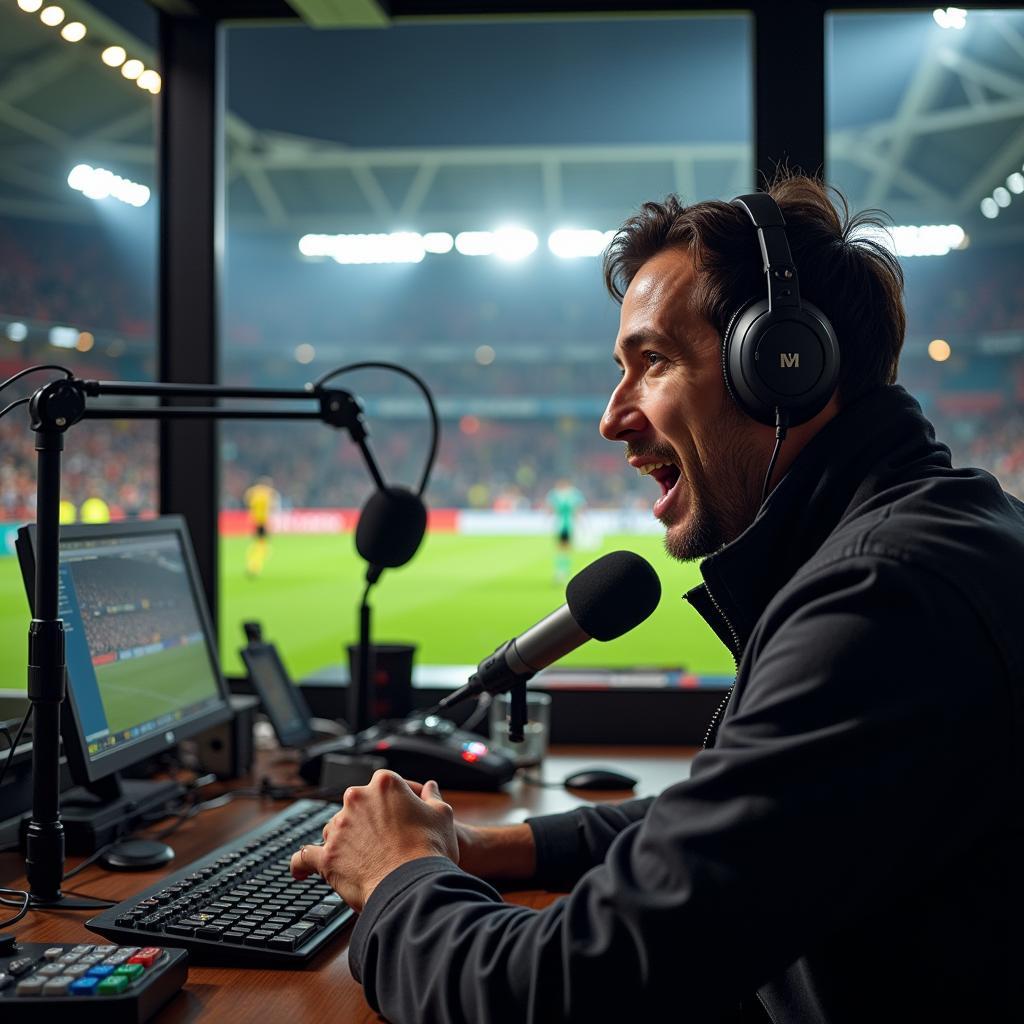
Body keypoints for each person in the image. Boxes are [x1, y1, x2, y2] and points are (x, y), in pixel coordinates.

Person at [290, 175, 1022, 1022]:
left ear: (781, 365)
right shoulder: (928, 535)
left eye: (654, 363)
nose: (611, 417)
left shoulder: (884, 601)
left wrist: (394, 875)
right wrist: (491, 848)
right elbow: (740, 816)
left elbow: (571, 991)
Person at [545, 477, 585, 583]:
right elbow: (578, 509)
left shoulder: (556, 494)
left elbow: (550, 509)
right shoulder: (573, 494)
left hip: (561, 524)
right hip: (567, 524)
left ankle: (561, 571)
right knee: (565, 549)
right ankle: (563, 570)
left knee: (561, 549)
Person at [243, 476, 278, 578]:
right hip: (262, 522)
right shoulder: (268, 493)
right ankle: (254, 565)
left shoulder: (253, 492)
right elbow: (271, 507)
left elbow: (247, 500)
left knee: (259, 542)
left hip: (254, 520)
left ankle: (256, 559)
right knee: (261, 544)